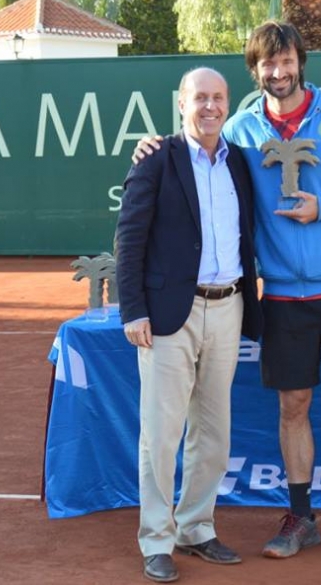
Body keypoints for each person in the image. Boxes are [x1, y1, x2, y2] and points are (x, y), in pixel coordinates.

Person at [133, 21, 321, 563]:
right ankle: (301, 518)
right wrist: (153, 146)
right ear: (254, 71)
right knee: (293, 406)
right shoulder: (241, 131)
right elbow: (193, 148)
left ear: (301, 61)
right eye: (266, 65)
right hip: (279, 297)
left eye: (286, 61)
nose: (278, 72)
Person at [116, 67, 262, 583]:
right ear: (181, 104)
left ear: (228, 105)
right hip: (167, 315)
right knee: (161, 433)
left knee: (213, 430)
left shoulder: (239, 162)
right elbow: (129, 237)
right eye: (200, 97)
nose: (210, 106)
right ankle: (157, 539)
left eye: (218, 98)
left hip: (229, 308)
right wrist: (132, 308)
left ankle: (196, 527)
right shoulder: (156, 159)